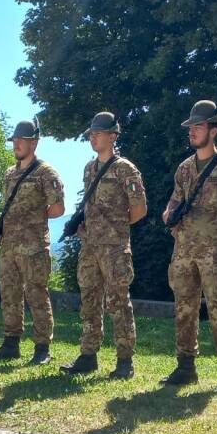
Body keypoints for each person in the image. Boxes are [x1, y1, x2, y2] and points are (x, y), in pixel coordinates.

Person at [161, 99, 217, 392]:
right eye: (191, 126)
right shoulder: (184, 169)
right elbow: (175, 198)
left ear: (214, 130)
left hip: (216, 252)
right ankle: (186, 366)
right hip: (184, 250)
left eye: (198, 126)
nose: (192, 131)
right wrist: (169, 212)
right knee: (183, 308)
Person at [60, 112, 147, 379]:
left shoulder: (125, 169)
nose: (93, 137)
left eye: (98, 133)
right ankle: (88, 355)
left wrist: (115, 228)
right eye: (91, 133)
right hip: (89, 247)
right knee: (89, 301)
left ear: (113, 136)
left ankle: (124, 361)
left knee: (118, 302)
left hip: (114, 248)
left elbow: (140, 209)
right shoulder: (90, 169)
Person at [0, 119, 65, 365]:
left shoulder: (46, 172)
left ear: (34, 142)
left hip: (33, 246)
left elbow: (59, 208)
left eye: (21, 140)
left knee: (36, 294)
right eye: (14, 141)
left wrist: (34, 216)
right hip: (9, 245)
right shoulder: (10, 173)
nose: (16, 144)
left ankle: (42, 347)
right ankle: (11, 343)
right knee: (9, 293)